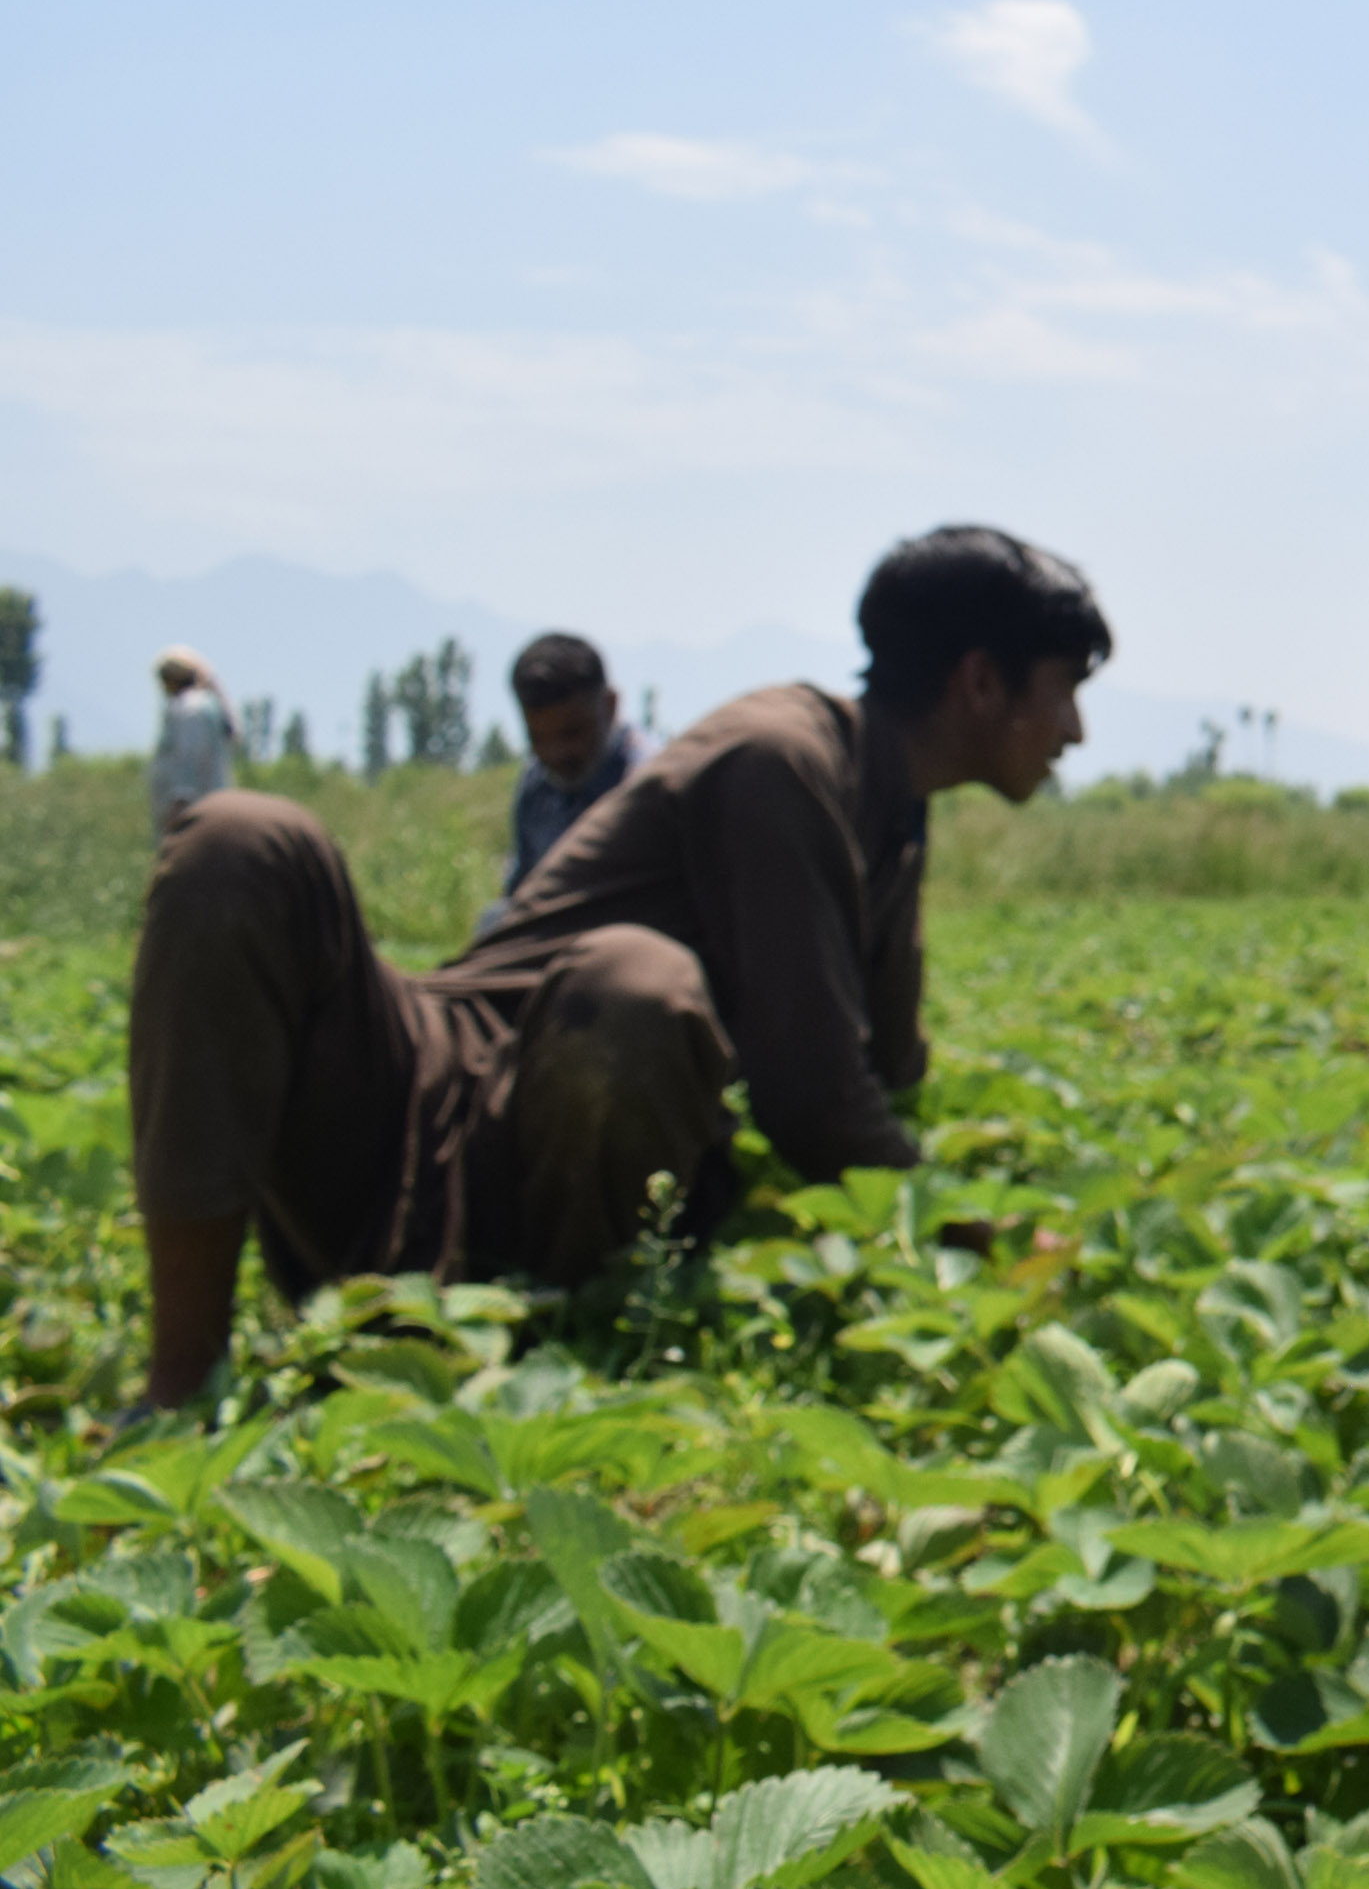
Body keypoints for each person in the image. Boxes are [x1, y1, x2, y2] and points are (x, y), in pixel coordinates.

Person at [124, 525, 1108, 1410]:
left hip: (575, 1172)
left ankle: (542, 1335)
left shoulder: (891, 816)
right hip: (420, 1110)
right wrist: (990, 1249)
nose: (1074, 729)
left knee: (632, 991)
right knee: (243, 841)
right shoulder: (781, 758)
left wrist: (943, 1242)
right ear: (981, 682)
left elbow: (880, 1089)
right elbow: (815, 1098)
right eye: (1063, 688)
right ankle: (179, 1384)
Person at [475, 633, 651, 938]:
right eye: (538, 738)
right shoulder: (536, 786)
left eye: (572, 733)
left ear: (610, 706)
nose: (556, 754)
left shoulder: (647, 784)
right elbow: (522, 893)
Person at [147, 646, 235, 831]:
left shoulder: (191, 710)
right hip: (204, 807)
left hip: (192, 811)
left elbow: (190, 757)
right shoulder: (201, 705)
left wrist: (181, 802)